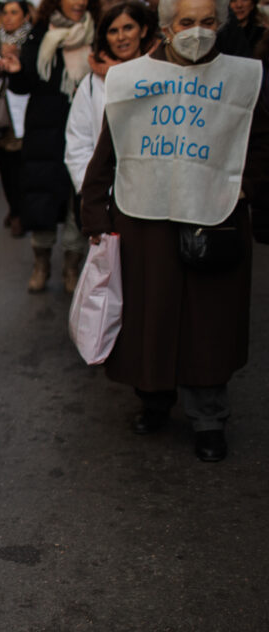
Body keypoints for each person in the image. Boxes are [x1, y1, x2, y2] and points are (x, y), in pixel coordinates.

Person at [79, 0, 269, 461]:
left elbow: (259, 145)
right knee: (152, 317)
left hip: (215, 218)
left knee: (209, 322)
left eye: (208, 22)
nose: (197, 32)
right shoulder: (133, 79)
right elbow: (110, 150)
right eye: (187, 22)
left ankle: (209, 418)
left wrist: (246, 189)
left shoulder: (242, 80)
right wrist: (96, 217)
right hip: (147, 222)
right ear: (166, 27)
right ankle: (155, 400)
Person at [0, 0, 101, 293]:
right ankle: (41, 264)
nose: (79, 3)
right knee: (41, 197)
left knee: (79, 199)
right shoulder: (41, 34)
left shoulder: (96, 32)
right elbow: (25, 83)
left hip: (85, 130)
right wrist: (17, 71)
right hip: (45, 131)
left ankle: (71, 267)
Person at [63, 1, 156, 287]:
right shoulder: (92, 84)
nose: (121, 36)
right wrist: (90, 192)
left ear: (143, 30)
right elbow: (77, 143)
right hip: (111, 202)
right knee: (115, 282)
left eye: (128, 27)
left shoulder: (163, 75)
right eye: (114, 30)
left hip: (156, 199)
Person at [0, 0, 34, 237]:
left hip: (24, 112)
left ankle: (23, 213)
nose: (9, 17)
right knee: (6, 167)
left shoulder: (33, 41)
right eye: (5, 12)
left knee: (23, 167)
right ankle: (15, 210)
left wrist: (19, 63)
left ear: (25, 16)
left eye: (15, 12)